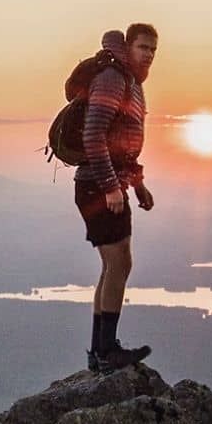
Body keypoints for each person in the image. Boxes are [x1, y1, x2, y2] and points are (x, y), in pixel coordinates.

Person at [75, 23, 158, 372]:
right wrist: (111, 186)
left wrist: (137, 185)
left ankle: (100, 350)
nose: (149, 55)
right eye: (143, 48)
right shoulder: (113, 78)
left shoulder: (132, 83)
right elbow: (94, 134)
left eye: (153, 50)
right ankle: (107, 352)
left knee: (113, 265)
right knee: (120, 263)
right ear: (128, 46)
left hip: (106, 184)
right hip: (98, 186)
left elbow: (123, 145)